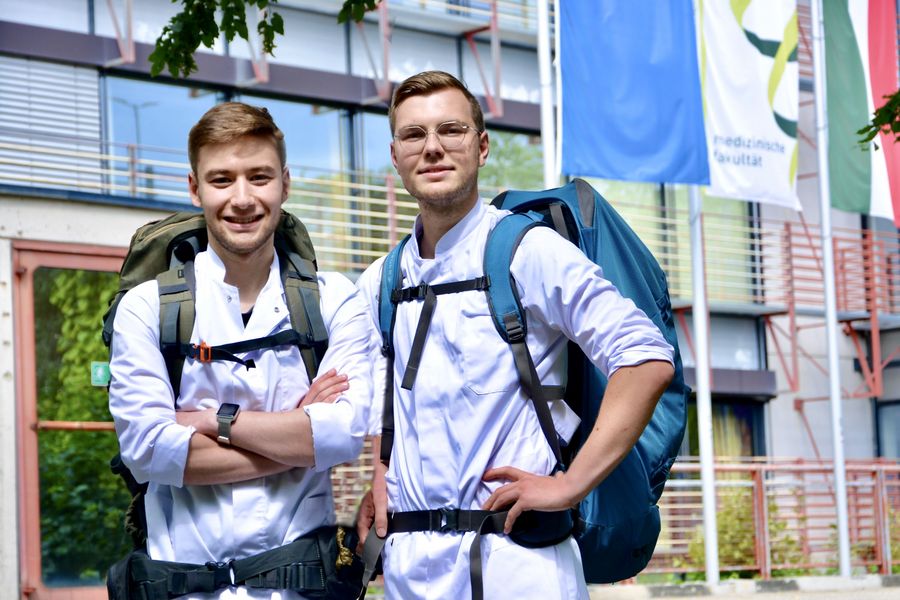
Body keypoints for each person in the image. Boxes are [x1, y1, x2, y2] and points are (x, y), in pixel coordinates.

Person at [355, 71, 676, 599]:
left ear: (481, 147)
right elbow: (382, 404)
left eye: (450, 130)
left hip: (519, 567)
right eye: (413, 135)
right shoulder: (381, 280)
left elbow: (645, 357)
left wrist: (570, 485)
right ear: (395, 155)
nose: (432, 147)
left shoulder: (528, 251)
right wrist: (381, 472)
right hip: (411, 572)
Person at [109, 102, 374, 599]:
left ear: (285, 184)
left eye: (259, 176)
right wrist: (297, 443)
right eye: (222, 179)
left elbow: (343, 434)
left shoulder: (335, 299)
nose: (243, 198)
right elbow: (146, 451)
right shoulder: (146, 308)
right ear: (195, 189)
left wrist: (211, 421)